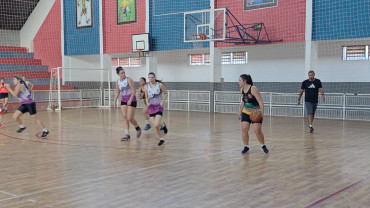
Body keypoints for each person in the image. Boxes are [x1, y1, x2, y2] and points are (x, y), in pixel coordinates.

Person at [238, 74, 269, 154]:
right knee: (244, 129)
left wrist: (262, 112)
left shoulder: (253, 89)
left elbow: (260, 101)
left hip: (255, 112)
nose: (238, 82)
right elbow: (243, 101)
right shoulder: (242, 90)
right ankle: (246, 146)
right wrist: (240, 112)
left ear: (244, 81)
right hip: (246, 112)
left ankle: (263, 145)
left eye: (240, 80)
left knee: (257, 130)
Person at [113, 67, 142, 141]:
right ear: (118, 74)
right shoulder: (117, 82)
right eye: (121, 73)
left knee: (130, 118)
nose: (123, 74)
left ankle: (137, 128)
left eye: (124, 73)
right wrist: (114, 102)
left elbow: (134, 90)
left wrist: (130, 99)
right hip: (123, 100)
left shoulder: (128, 80)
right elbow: (117, 92)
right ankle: (127, 135)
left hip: (132, 99)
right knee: (125, 117)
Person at [144, 72, 168, 146]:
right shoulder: (146, 87)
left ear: (154, 78)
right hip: (151, 107)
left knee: (157, 124)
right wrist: (147, 102)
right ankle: (161, 139)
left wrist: (162, 101)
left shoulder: (159, 85)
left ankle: (163, 125)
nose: (150, 79)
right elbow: (146, 97)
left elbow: (166, 94)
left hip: (158, 106)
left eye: (152, 77)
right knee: (155, 126)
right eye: (149, 77)